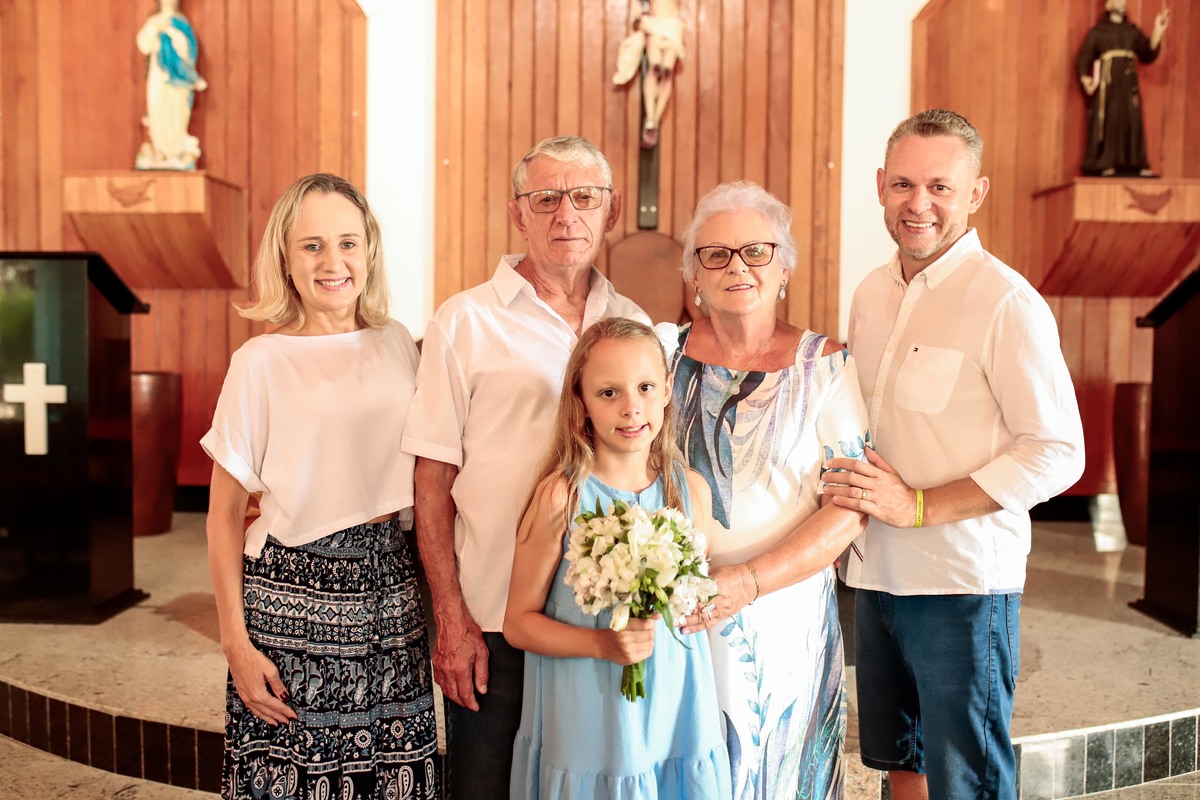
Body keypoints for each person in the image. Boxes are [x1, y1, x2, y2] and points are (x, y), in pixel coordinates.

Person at [824, 109, 1085, 800]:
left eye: (941, 186)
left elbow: (1058, 451)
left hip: (962, 583)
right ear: (880, 185)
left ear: (976, 193)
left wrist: (917, 506)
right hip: (876, 574)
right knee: (898, 763)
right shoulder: (871, 293)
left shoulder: (1007, 304)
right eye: (904, 183)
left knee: (964, 779)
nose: (919, 204)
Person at [402, 136, 648, 797]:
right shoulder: (465, 322)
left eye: (583, 197)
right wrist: (449, 617)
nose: (565, 214)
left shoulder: (631, 322)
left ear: (610, 209)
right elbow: (432, 481)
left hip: (602, 620)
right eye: (545, 198)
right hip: (491, 617)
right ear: (519, 213)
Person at [202, 174, 440, 799]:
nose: (333, 262)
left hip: (393, 594)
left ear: (371, 250)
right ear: (284, 256)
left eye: (348, 243)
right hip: (293, 604)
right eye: (312, 246)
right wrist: (234, 641)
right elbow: (224, 514)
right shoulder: (261, 361)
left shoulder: (399, 344)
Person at [657, 180, 869, 798]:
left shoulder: (827, 366)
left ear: (784, 267)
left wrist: (748, 581)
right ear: (693, 273)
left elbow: (851, 508)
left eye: (756, 251)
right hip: (676, 615)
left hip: (783, 622)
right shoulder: (660, 356)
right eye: (715, 253)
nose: (737, 266)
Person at [504, 317, 731, 798]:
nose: (631, 408)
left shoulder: (689, 491)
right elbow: (518, 623)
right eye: (608, 393)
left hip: (675, 705)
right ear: (581, 402)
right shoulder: (562, 498)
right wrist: (604, 646)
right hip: (588, 710)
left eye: (646, 386)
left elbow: (694, 600)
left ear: (668, 389)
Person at [1076, 0, 1170, 176]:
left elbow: (1147, 53)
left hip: (1128, 84)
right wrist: (1084, 77)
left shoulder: (1131, 31)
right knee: (1111, 119)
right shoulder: (1098, 32)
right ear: (1108, 5)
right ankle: (1106, 163)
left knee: (1132, 119)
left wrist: (1158, 30)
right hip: (1108, 86)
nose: (1122, 2)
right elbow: (1083, 58)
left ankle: (1136, 164)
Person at [136, 0, 208, 170]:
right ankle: (160, 150)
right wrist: (156, 29)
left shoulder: (181, 23)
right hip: (159, 75)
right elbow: (145, 44)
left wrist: (172, 33)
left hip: (177, 79)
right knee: (158, 110)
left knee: (176, 111)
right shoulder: (154, 21)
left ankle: (176, 152)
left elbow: (187, 49)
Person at [612, 0, 685, 149]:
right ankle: (650, 118)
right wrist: (639, 12)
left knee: (666, 73)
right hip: (655, 24)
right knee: (655, 68)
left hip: (672, 25)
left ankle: (654, 121)